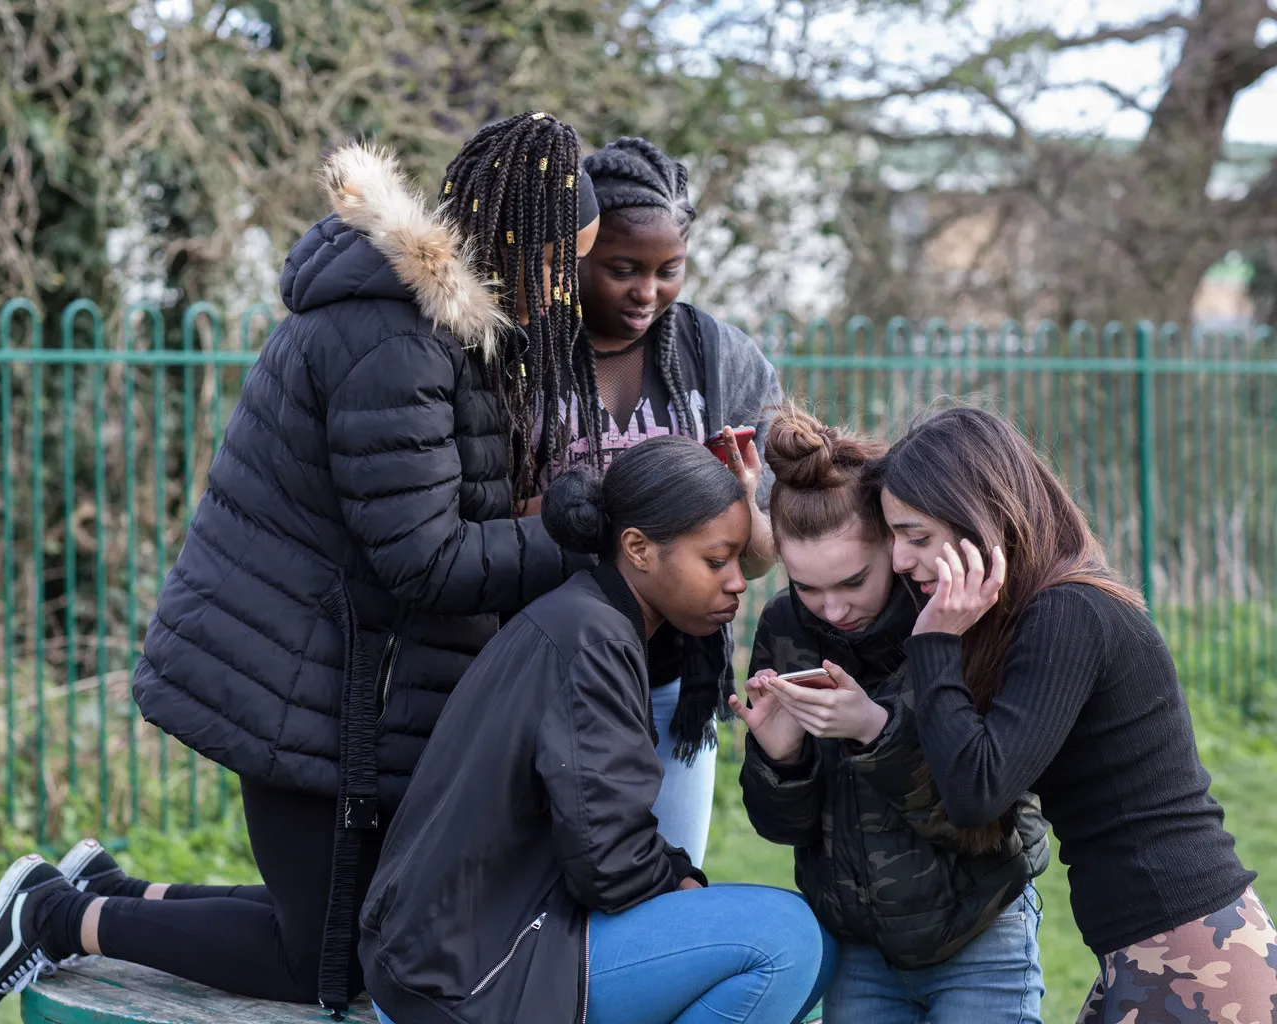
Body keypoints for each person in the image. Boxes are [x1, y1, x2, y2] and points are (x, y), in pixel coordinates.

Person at [0, 112, 608, 1024]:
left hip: (336, 682)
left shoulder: (438, 334)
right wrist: (580, 535)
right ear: (508, 239)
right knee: (329, 967)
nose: (567, 291)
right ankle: (56, 918)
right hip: (310, 688)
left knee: (348, 927)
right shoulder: (394, 342)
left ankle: (114, 892)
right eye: (559, 264)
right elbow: (428, 558)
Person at [359, 435, 835, 1024]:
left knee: (810, 949)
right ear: (637, 548)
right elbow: (610, 864)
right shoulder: (594, 641)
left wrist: (683, 883)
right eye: (717, 561)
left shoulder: (584, 618)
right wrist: (685, 887)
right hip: (464, 981)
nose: (739, 581)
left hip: (443, 960)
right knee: (788, 941)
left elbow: (600, 831)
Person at [866, 405, 1274, 1024]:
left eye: (916, 537)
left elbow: (976, 791)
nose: (899, 560)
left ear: (985, 519)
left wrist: (934, 646)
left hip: (1191, 948)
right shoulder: (1043, 614)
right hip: (1156, 941)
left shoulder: (1068, 614)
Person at [734, 405, 1049, 1024]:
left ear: (896, 544)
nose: (831, 609)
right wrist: (782, 758)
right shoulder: (784, 628)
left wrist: (873, 731)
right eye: (805, 587)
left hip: (980, 934)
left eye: (853, 581)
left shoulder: (962, 619)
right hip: (861, 953)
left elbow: (987, 820)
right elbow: (785, 831)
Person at [539, 136, 784, 864]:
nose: (647, 292)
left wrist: (743, 507)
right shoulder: (530, 350)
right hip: (553, 673)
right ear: (579, 252)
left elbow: (765, 556)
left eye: (668, 271)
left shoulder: (722, 361)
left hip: (676, 685)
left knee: (670, 879)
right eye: (622, 270)